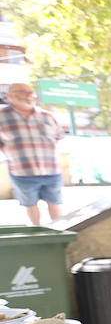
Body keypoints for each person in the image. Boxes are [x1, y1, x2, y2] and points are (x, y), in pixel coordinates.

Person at [0, 83, 65, 226]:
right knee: (30, 205)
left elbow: (59, 137)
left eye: (30, 92)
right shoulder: (1, 116)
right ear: (9, 96)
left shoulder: (48, 116)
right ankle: (37, 230)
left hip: (51, 171)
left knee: (55, 204)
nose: (28, 95)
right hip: (22, 172)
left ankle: (59, 233)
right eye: (22, 92)